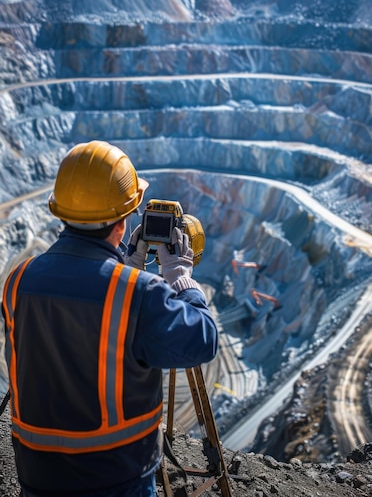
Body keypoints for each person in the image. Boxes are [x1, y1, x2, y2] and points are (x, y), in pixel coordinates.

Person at [2, 140, 218, 497]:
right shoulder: (139, 294)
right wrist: (179, 276)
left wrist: (124, 264)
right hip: (115, 481)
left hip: (37, 476)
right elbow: (203, 339)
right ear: (123, 219)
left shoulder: (18, 280)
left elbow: (74, 327)